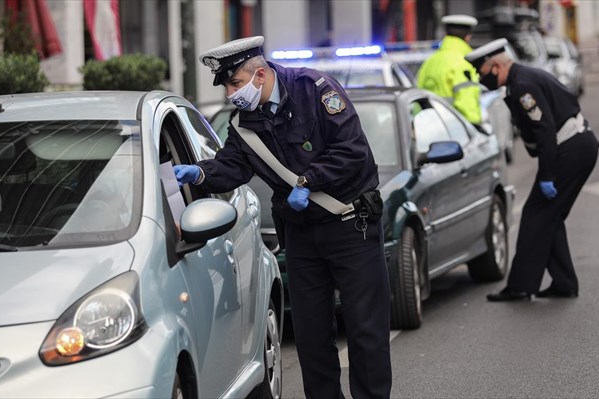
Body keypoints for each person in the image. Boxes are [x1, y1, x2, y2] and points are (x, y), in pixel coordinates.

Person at [173, 36, 392, 398]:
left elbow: (353, 151)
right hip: (302, 234)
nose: (230, 94)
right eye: (227, 86)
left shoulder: (315, 90)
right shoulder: (244, 123)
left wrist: (309, 181)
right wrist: (200, 173)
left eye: (235, 84)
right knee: (311, 338)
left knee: (366, 332)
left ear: (260, 74)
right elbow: (234, 166)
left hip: (351, 226)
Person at [464, 38, 599, 302]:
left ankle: (521, 286)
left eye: (481, 73)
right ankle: (563, 283)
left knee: (536, 214)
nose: (481, 80)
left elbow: (545, 130)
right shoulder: (520, 81)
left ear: (495, 67)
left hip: (570, 148)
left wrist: (547, 176)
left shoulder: (523, 86)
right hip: (576, 145)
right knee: (549, 215)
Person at [417, 14, 482, 127]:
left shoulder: (429, 62)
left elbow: (417, 97)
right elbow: (466, 102)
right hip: (455, 130)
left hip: (428, 128)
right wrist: (476, 126)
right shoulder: (463, 63)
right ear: (467, 37)